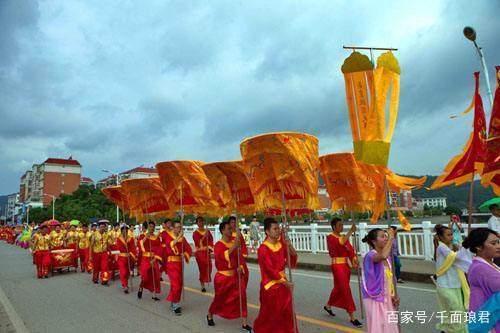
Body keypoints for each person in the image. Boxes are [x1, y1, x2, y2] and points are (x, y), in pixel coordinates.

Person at [253, 217, 298, 333]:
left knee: (288, 313)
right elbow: (270, 270)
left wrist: (289, 245)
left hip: (283, 283)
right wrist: (285, 282)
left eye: (278, 228)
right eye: (275, 229)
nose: (278, 231)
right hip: (271, 287)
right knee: (271, 316)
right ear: (267, 231)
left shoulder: (281, 245)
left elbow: (291, 260)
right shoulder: (263, 249)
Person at [207, 220, 251, 332]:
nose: (231, 231)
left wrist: (241, 267)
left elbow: (239, 258)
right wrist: (234, 247)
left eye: (231, 229)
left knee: (242, 297)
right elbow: (222, 257)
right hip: (223, 278)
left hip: (235, 276)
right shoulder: (218, 245)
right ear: (222, 231)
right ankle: (210, 314)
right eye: (228, 229)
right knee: (220, 299)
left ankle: (244, 324)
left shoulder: (234, 242)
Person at [323, 218, 362, 328]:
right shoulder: (331, 237)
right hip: (337, 266)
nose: (342, 227)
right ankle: (352, 316)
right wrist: (350, 231)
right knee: (345, 289)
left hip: (345, 266)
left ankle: (328, 305)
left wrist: (354, 259)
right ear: (334, 227)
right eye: (339, 225)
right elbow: (340, 243)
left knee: (339, 288)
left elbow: (350, 250)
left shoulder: (343, 237)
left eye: (342, 225)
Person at [433, 224, 471, 333]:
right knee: (455, 311)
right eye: (448, 235)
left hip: (456, 284)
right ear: (440, 237)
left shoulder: (453, 246)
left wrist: (465, 247)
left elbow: (464, 256)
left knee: (455, 311)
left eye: (452, 234)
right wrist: (465, 246)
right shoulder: (441, 247)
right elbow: (454, 257)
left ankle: (448, 330)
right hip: (445, 285)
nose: (451, 237)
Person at [361, 228, 399, 333]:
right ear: (374, 241)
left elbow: (390, 279)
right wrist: (391, 238)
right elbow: (382, 255)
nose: (386, 238)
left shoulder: (387, 258)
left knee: (389, 326)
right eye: (382, 236)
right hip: (374, 297)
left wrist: (394, 294)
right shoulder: (370, 255)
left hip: (386, 297)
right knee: (379, 327)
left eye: (386, 236)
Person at [462, 228, 500, 333]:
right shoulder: (480, 269)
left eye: (498, 242)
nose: (498, 246)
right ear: (478, 247)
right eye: (493, 243)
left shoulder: (488, 264)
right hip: (489, 325)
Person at [165, 220, 192, 315]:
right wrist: (179, 237)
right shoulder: (168, 236)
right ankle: (176, 304)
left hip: (179, 263)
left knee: (178, 284)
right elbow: (170, 245)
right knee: (176, 284)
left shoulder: (182, 239)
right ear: (172, 228)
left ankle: (173, 301)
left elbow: (188, 249)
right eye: (176, 227)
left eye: (180, 227)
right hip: (171, 263)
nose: (178, 229)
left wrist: (184, 254)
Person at [137, 221, 162, 301]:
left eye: (153, 226)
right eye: (150, 226)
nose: (152, 228)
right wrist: (145, 238)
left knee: (155, 277)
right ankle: (141, 287)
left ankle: (154, 295)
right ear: (148, 227)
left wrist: (155, 259)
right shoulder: (142, 236)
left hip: (154, 259)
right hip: (145, 258)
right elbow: (140, 246)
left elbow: (159, 249)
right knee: (145, 276)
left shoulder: (156, 237)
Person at [192, 216, 213, 292]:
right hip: (200, 253)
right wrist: (204, 236)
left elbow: (211, 241)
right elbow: (199, 244)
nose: (201, 223)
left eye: (202, 221)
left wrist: (209, 247)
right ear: (197, 223)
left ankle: (206, 279)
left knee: (209, 266)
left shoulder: (208, 231)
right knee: (202, 268)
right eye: (199, 221)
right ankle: (202, 285)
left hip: (206, 252)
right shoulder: (195, 233)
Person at [116, 224, 137, 294]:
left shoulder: (130, 238)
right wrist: (125, 244)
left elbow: (133, 248)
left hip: (129, 257)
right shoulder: (119, 238)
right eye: (124, 230)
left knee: (128, 272)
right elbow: (118, 248)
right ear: (121, 231)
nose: (125, 231)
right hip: (121, 257)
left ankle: (126, 283)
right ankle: (125, 286)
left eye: (126, 230)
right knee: (123, 272)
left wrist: (132, 254)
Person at [89, 221, 111, 285]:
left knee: (105, 266)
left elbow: (107, 244)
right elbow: (91, 246)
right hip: (96, 253)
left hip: (104, 253)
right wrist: (90, 255)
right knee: (96, 267)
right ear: (99, 227)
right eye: (101, 227)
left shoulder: (106, 235)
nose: (103, 228)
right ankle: (95, 278)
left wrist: (110, 251)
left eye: (104, 227)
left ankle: (104, 279)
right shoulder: (94, 234)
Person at [229, 216, 249, 286]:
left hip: (239, 255)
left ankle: (242, 288)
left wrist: (244, 254)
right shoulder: (228, 234)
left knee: (245, 272)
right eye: (232, 222)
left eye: (235, 222)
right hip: (231, 256)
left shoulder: (239, 233)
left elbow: (243, 244)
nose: (233, 224)